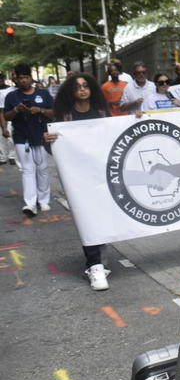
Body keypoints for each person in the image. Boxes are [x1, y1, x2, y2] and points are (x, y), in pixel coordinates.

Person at [43, 73, 112, 290]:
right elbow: (56, 150)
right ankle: (95, 265)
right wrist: (48, 141)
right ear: (70, 92)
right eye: (77, 87)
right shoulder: (65, 117)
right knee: (86, 217)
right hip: (77, 178)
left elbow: (115, 135)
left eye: (85, 86)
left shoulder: (101, 112)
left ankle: (99, 258)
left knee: (101, 216)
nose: (82, 90)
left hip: (102, 174)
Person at [3, 63, 54, 216]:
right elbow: (6, 116)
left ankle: (44, 200)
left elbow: (53, 113)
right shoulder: (12, 96)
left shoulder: (43, 94)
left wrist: (40, 110)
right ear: (16, 80)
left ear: (31, 78)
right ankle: (30, 203)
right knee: (27, 170)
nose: (23, 81)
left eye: (26, 77)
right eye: (20, 78)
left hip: (42, 136)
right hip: (22, 138)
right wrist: (16, 110)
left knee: (43, 169)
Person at [0, 80, 18, 166]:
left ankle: (12, 156)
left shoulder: (11, 90)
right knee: (1, 139)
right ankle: (3, 157)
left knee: (10, 137)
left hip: (5, 115)